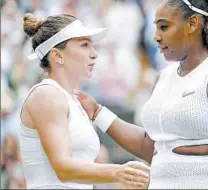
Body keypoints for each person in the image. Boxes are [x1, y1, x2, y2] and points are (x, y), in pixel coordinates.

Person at [76, 0, 208, 189]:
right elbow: (149, 146)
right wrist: (97, 112)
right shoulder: (163, 77)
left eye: (164, 27)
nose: (156, 36)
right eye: (156, 28)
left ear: (193, 23)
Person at [19, 13, 150, 189]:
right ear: (57, 56)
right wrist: (119, 172)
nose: (94, 54)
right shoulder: (47, 95)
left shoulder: (73, 100)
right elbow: (63, 169)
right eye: (84, 45)